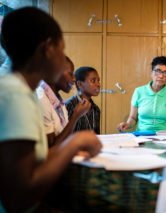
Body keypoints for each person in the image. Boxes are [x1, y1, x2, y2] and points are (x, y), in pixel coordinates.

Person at [0, 7, 101, 212]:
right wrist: (76, 141)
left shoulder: (19, 90)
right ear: (48, 49)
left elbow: (36, 160)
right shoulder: (15, 95)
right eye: (62, 51)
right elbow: (18, 198)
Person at [117, 56, 166, 132]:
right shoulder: (139, 91)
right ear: (152, 73)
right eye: (158, 71)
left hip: (165, 136)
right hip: (142, 135)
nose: (161, 76)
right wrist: (127, 124)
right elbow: (133, 118)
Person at [37, 56, 91, 147]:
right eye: (70, 74)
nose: (74, 79)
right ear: (55, 72)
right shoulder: (42, 99)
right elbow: (51, 147)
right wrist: (75, 116)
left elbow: (64, 137)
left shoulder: (57, 99)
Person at [65, 66, 101, 134]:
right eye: (93, 81)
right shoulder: (69, 105)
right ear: (80, 84)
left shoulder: (96, 109)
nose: (98, 84)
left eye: (98, 81)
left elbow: (97, 136)